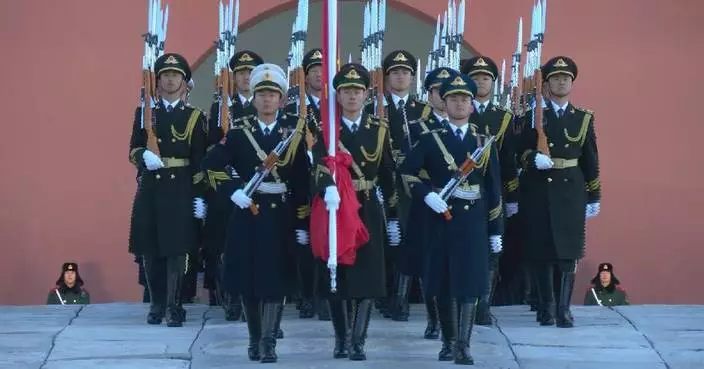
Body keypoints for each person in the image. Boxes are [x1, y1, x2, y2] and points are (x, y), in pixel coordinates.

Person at [201, 63, 309, 363]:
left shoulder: (294, 133)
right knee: (249, 281)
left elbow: (301, 179)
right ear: (254, 97)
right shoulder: (239, 132)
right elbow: (210, 164)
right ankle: (254, 338)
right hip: (248, 213)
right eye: (261, 93)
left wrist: (302, 221)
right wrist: (233, 189)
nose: (266, 100)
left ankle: (269, 342)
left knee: (275, 281)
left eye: (272, 94)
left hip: (280, 215)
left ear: (282, 98)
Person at [400, 72, 503, 365]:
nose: (460, 104)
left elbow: (493, 188)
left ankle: (464, 345)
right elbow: (406, 172)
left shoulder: (483, 141)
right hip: (441, 218)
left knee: (469, 284)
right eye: (454, 99)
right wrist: (425, 195)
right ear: (444, 103)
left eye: (465, 99)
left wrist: (496, 229)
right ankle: (448, 341)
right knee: (445, 284)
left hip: (473, 223)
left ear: (472, 105)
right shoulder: (431, 139)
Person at [309, 63, 399, 361]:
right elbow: (318, 165)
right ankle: (341, 339)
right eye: (346, 91)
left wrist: (394, 215)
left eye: (357, 91)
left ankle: (358, 341)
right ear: (337, 95)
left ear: (366, 95)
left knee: (368, 276)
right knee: (339, 275)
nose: (352, 96)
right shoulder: (327, 130)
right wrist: (326, 187)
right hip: (336, 207)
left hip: (367, 205)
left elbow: (387, 173)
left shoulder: (379, 129)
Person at [516, 56, 601, 328]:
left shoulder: (583, 118)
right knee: (542, 251)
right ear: (548, 83)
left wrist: (594, 194)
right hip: (539, 189)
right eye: (555, 78)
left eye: (566, 78)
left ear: (572, 83)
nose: (561, 81)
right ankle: (546, 307)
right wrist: (532, 159)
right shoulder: (533, 115)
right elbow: (518, 153)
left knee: (568, 252)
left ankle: (564, 309)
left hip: (571, 190)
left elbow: (591, 158)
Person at [128, 53, 209, 327]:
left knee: (177, 249)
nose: (170, 79)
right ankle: (157, 303)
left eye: (176, 75)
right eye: (165, 75)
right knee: (150, 247)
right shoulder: (145, 113)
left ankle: (175, 305)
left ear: (185, 82)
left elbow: (200, 159)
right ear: (158, 81)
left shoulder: (195, 116)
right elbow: (133, 150)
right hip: (152, 185)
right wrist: (143, 157)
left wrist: (200, 195)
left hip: (181, 187)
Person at [397, 66, 459, 339]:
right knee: (428, 263)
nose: (443, 96)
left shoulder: (466, 125)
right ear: (430, 94)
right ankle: (434, 318)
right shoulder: (416, 128)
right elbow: (405, 167)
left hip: (460, 203)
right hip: (427, 202)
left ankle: (455, 318)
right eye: (437, 91)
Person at [203, 50, 264, 321]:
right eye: (241, 73)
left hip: (260, 187)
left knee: (259, 248)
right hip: (229, 188)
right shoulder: (221, 107)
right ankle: (231, 300)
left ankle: (259, 300)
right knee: (225, 246)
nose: (246, 78)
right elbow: (212, 150)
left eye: (251, 73)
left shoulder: (266, 104)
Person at [462, 56, 519, 324]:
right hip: (463, 189)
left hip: (493, 192)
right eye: (475, 77)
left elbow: (509, 160)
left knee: (493, 249)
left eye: (486, 78)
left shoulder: (503, 117)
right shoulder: (459, 110)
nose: (480, 82)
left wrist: (512, 195)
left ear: (493, 83)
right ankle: (466, 303)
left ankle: (484, 305)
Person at [378, 49, 431, 321]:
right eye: (394, 72)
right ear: (386, 78)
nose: (400, 76)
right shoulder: (376, 108)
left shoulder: (424, 110)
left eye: (405, 72)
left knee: (413, 241)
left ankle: (405, 301)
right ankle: (387, 299)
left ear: (412, 77)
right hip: (384, 183)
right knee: (387, 245)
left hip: (414, 186)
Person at [284, 48, 329, 321]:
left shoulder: (334, 104)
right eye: (314, 70)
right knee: (302, 240)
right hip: (300, 180)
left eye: (323, 70)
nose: (318, 74)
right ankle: (305, 296)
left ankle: (324, 295)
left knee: (327, 239)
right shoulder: (293, 107)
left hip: (327, 181)